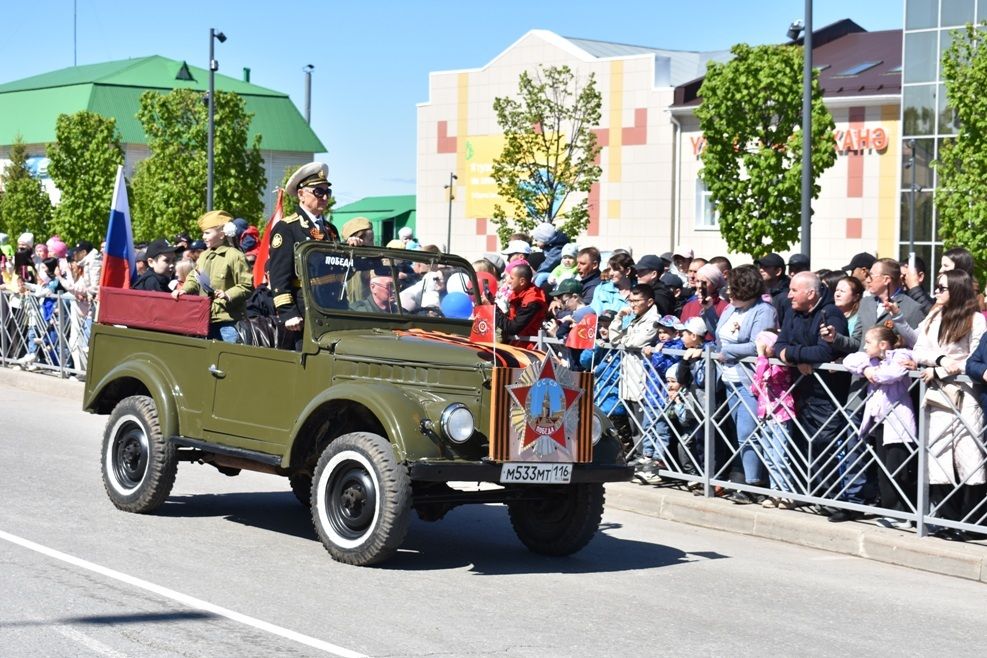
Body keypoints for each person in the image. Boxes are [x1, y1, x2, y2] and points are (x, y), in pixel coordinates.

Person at [913, 269, 986, 540]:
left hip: (967, 393)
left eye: (941, 288)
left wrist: (942, 369)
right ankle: (948, 518)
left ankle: (974, 521)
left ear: (956, 289)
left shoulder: (975, 320)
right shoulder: (933, 316)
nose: (936, 293)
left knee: (970, 456)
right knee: (938, 454)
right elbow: (919, 351)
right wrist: (942, 361)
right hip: (938, 394)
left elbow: (974, 358)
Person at [775, 271, 850, 503]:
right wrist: (797, 358)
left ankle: (829, 497)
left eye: (794, 291)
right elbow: (780, 345)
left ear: (811, 293)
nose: (789, 296)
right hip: (800, 389)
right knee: (799, 441)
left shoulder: (831, 314)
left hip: (827, 392)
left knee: (823, 443)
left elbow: (824, 351)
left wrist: (795, 355)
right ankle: (802, 493)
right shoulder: (792, 313)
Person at [268, 162, 360, 335]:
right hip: (305, 307)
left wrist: (352, 250)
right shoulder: (287, 228)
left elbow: (341, 270)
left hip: (333, 305)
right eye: (318, 192)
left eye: (327, 192)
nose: (325, 197)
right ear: (301, 194)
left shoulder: (330, 230)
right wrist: (288, 312)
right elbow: (279, 275)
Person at [713, 264, 778, 503]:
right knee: (736, 432)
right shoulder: (730, 308)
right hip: (728, 379)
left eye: (733, 288)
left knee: (747, 433)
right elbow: (720, 336)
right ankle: (744, 477)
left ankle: (754, 485)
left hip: (750, 380)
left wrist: (729, 351)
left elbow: (756, 345)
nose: (729, 293)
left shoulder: (763, 311)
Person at [843, 326, 917, 528]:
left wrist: (873, 371)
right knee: (883, 468)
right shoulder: (872, 360)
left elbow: (891, 374)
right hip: (880, 420)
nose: (865, 346)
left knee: (898, 468)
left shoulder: (901, 354)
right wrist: (866, 368)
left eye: (869, 342)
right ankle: (890, 511)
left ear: (883, 345)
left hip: (899, 421)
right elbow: (849, 360)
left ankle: (905, 514)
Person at [173, 210, 253, 343]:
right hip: (206, 318)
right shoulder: (204, 255)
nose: (203, 237)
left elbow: (247, 285)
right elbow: (195, 276)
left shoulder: (235, 256)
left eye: (207, 233)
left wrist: (228, 295)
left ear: (222, 234)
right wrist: (184, 289)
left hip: (229, 320)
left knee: (229, 359)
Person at [751, 330, 797, 508]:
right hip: (765, 413)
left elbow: (766, 376)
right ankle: (774, 491)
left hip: (781, 413)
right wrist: (762, 359)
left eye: (763, 343)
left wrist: (762, 357)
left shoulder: (780, 364)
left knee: (780, 456)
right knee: (769, 456)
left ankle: (786, 493)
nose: (759, 347)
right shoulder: (762, 363)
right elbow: (755, 387)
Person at [495, 263, 547, 350]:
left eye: (512, 278)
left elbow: (513, 328)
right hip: (517, 343)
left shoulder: (532, 301)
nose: (508, 281)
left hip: (528, 348)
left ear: (522, 281)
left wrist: (494, 311)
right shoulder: (519, 293)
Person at [823, 276, 865, 353]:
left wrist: (835, 337)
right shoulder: (829, 314)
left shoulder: (860, 318)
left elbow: (856, 344)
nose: (837, 294)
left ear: (856, 297)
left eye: (842, 291)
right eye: (837, 290)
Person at [591, 252, 634, 317]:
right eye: (609, 269)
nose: (610, 273)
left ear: (627, 271)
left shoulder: (640, 291)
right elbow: (595, 316)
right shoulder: (601, 289)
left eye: (615, 269)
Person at [758, 253, 790, 324]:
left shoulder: (786, 296)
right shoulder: (760, 292)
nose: (761, 270)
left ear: (778, 271)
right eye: (760, 266)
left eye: (766, 267)